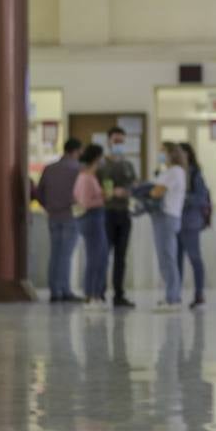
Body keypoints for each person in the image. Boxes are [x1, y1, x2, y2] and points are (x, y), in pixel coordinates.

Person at [35, 138, 85, 303]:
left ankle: (54, 290)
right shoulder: (78, 169)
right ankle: (64, 291)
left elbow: (39, 193)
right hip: (70, 216)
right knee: (65, 255)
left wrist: (48, 206)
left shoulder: (49, 169)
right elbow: (82, 195)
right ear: (76, 151)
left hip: (53, 216)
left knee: (55, 254)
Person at [97, 126, 138, 309]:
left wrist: (127, 192)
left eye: (122, 141)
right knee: (103, 254)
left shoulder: (128, 165)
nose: (119, 145)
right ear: (108, 142)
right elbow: (95, 188)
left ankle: (119, 294)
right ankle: (99, 292)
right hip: (107, 213)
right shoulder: (102, 165)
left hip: (124, 213)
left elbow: (135, 186)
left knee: (121, 257)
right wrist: (112, 192)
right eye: (116, 141)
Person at [148, 142, 188, 312]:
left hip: (167, 217)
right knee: (166, 258)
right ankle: (172, 296)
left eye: (163, 152)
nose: (160, 155)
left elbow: (156, 192)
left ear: (172, 153)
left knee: (167, 259)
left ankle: (172, 298)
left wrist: (149, 190)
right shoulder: (171, 172)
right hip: (167, 217)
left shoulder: (174, 172)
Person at [177, 141, 212, 310]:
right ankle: (174, 295)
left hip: (190, 223)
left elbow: (201, 198)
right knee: (175, 261)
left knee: (195, 259)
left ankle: (199, 294)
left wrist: (182, 198)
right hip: (174, 221)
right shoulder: (174, 172)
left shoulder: (195, 174)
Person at [73, 144, 110, 303]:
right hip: (91, 218)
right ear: (96, 158)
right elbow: (86, 202)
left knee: (101, 257)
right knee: (95, 258)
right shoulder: (86, 177)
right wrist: (103, 198)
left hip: (95, 218)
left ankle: (95, 293)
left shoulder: (89, 176)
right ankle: (91, 294)